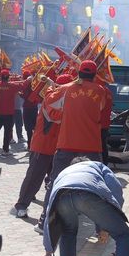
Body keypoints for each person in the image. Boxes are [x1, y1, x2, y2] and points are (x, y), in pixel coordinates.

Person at [34, 60, 106, 233]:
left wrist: (52, 88)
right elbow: (101, 109)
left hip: (67, 144)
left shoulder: (66, 89)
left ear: (79, 73)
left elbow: (49, 103)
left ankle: (45, 223)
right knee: (97, 185)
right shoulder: (101, 91)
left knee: (56, 183)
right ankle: (101, 228)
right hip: (91, 145)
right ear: (94, 75)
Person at [14, 74, 73, 218]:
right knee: (34, 177)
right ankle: (21, 205)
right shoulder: (52, 97)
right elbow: (57, 116)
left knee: (57, 180)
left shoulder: (62, 97)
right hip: (43, 145)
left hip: (58, 147)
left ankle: (56, 208)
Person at [0, 69, 24, 155]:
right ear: (8, 77)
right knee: (7, 132)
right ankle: (5, 150)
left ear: (0, 77)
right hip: (9, 113)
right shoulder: (12, 86)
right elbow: (22, 86)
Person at [21, 70, 39, 146]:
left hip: (27, 108)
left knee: (28, 128)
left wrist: (20, 94)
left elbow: (24, 95)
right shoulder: (38, 84)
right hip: (34, 107)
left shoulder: (25, 83)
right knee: (34, 127)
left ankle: (30, 144)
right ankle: (35, 144)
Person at [100, 81, 113, 165]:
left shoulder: (97, 90)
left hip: (96, 125)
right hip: (105, 125)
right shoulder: (107, 91)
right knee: (103, 146)